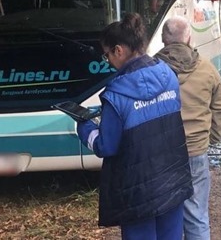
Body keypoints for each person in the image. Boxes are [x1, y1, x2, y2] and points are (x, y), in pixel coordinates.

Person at [76, 13, 193, 239]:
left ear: (119, 50)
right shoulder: (168, 74)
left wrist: (85, 128)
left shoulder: (116, 94)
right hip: (172, 181)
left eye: (107, 54)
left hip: (137, 192)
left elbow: (106, 146)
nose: (107, 60)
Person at [156, 17, 221, 240]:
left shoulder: (152, 69)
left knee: (165, 217)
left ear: (163, 39)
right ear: (189, 38)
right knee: (196, 216)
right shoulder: (207, 68)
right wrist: (211, 138)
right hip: (196, 151)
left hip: (161, 154)